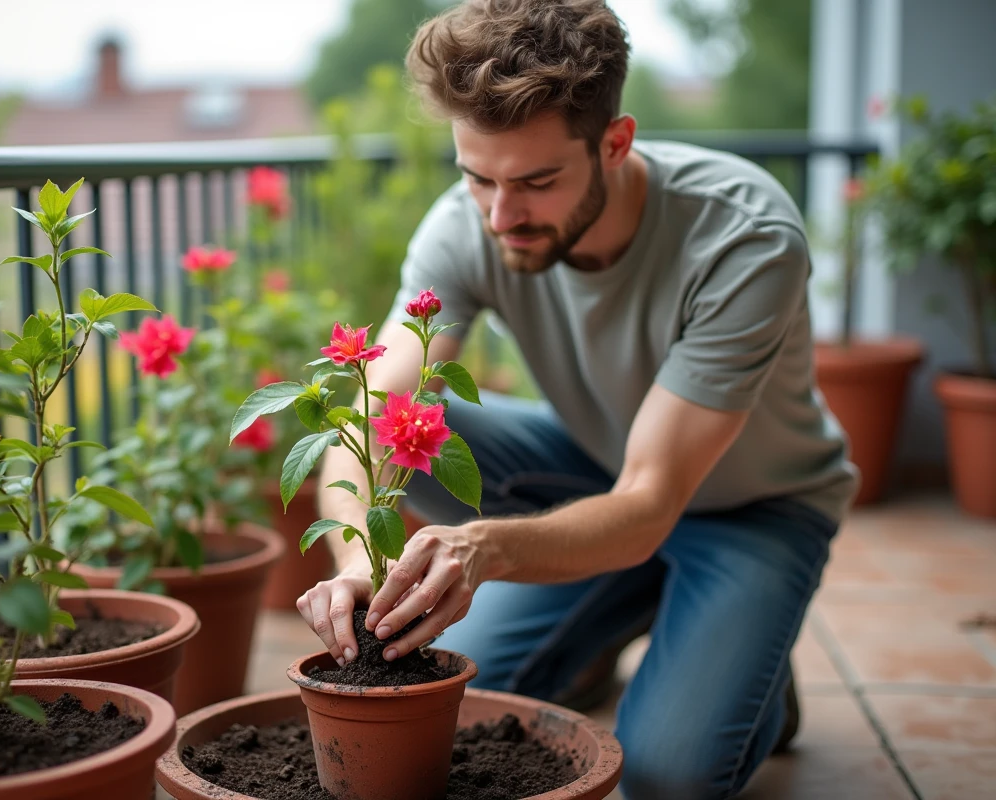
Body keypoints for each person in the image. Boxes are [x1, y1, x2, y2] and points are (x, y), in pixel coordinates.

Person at [295, 1, 859, 797]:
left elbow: (652, 497)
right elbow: (369, 422)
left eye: (536, 181)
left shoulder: (742, 236)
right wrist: (355, 562)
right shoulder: (469, 224)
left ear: (616, 143)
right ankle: (634, 609)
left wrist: (484, 549)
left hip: (752, 508)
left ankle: (742, 656)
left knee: (666, 776)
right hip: (592, 474)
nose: (501, 215)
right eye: (477, 177)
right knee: (447, 697)